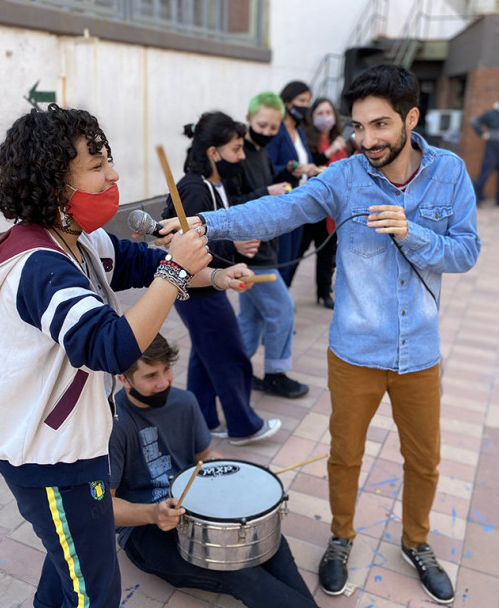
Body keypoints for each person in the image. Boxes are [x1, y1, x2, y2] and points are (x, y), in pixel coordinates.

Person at [155, 64, 481, 605]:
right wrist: (209, 225)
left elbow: (466, 250)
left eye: (380, 126)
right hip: (354, 350)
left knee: (424, 459)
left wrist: (414, 231)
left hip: (420, 351)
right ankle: (341, 536)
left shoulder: (450, 172)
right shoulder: (346, 176)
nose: (367, 139)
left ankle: (416, 542)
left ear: (411, 119)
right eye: (359, 127)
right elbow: (281, 209)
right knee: (344, 454)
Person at [0, 104, 252, 608]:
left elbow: (145, 262)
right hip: (51, 462)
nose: (113, 174)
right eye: (96, 166)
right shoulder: (38, 266)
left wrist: (215, 275)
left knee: (69, 570)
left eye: (107, 160)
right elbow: (111, 347)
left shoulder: (79, 240)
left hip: (78, 446)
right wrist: (178, 274)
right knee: (94, 592)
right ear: (53, 185)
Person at [109, 334, 318, 608]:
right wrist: (152, 513)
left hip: (196, 511)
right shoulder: (113, 423)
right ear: (124, 379)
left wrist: (240, 478)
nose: (164, 382)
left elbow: (205, 457)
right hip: (145, 530)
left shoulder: (185, 402)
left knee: (269, 542)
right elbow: (104, 505)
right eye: (151, 376)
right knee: (241, 573)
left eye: (167, 369)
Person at [161, 111, 281, 445]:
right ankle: (244, 426)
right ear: (213, 153)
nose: (242, 157)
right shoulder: (194, 188)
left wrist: (237, 245)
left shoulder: (215, 184)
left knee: (206, 354)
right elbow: (185, 243)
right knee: (230, 355)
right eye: (236, 149)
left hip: (206, 283)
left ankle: (204, 421)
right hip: (196, 289)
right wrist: (234, 244)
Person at [223, 91, 309, 399]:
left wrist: (286, 174)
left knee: (252, 318)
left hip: (264, 248)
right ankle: (275, 373)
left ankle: (236, 374)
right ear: (248, 120)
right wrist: (266, 191)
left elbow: (262, 184)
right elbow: (231, 204)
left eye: (275, 128)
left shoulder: (259, 151)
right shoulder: (237, 153)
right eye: (262, 125)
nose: (268, 133)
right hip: (249, 252)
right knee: (282, 309)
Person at [265, 81, 321, 286]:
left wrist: (310, 168)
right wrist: (289, 167)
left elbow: (302, 160)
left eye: (308, 101)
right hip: (282, 201)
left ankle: (282, 302)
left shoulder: (300, 131)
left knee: (292, 257)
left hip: (300, 200)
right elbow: (269, 165)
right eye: (301, 101)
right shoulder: (277, 130)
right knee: (281, 257)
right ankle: (277, 303)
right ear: (287, 102)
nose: (305, 105)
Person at [299, 97, 348, 309]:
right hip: (313, 205)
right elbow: (311, 163)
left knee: (327, 254)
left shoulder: (341, 141)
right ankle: (284, 288)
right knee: (298, 250)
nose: (325, 117)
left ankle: (324, 292)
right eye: (319, 113)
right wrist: (328, 152)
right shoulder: (308, 139)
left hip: (334, 209)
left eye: (328, 112)